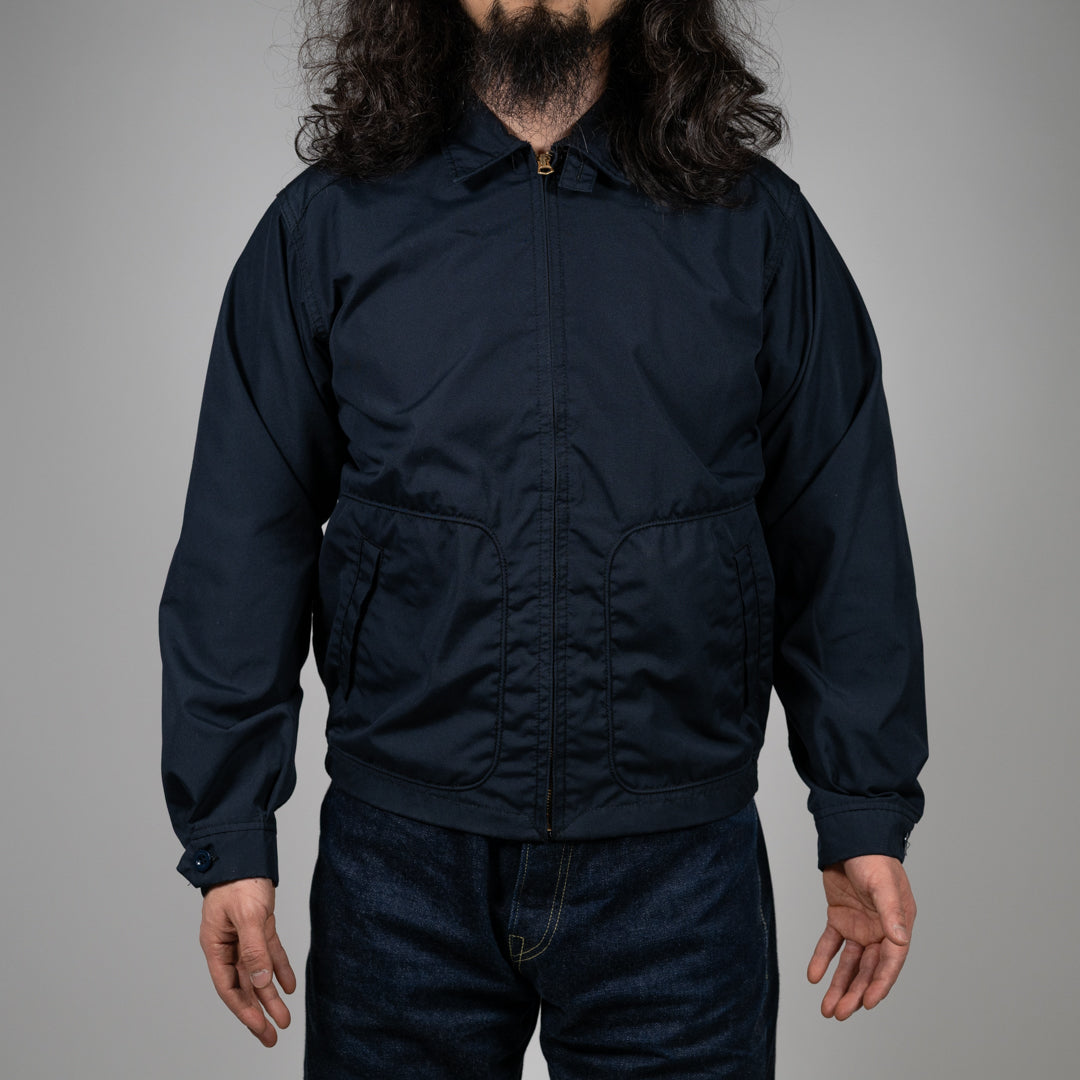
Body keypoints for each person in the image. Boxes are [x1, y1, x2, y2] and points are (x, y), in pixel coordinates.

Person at [158, 1, 929, 1075]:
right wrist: (231, 829)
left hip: (677, 869)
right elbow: (243, 538)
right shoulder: (327, 226)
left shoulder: (756, 226)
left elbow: (840, 528)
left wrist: (861, 808)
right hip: (400, 865)